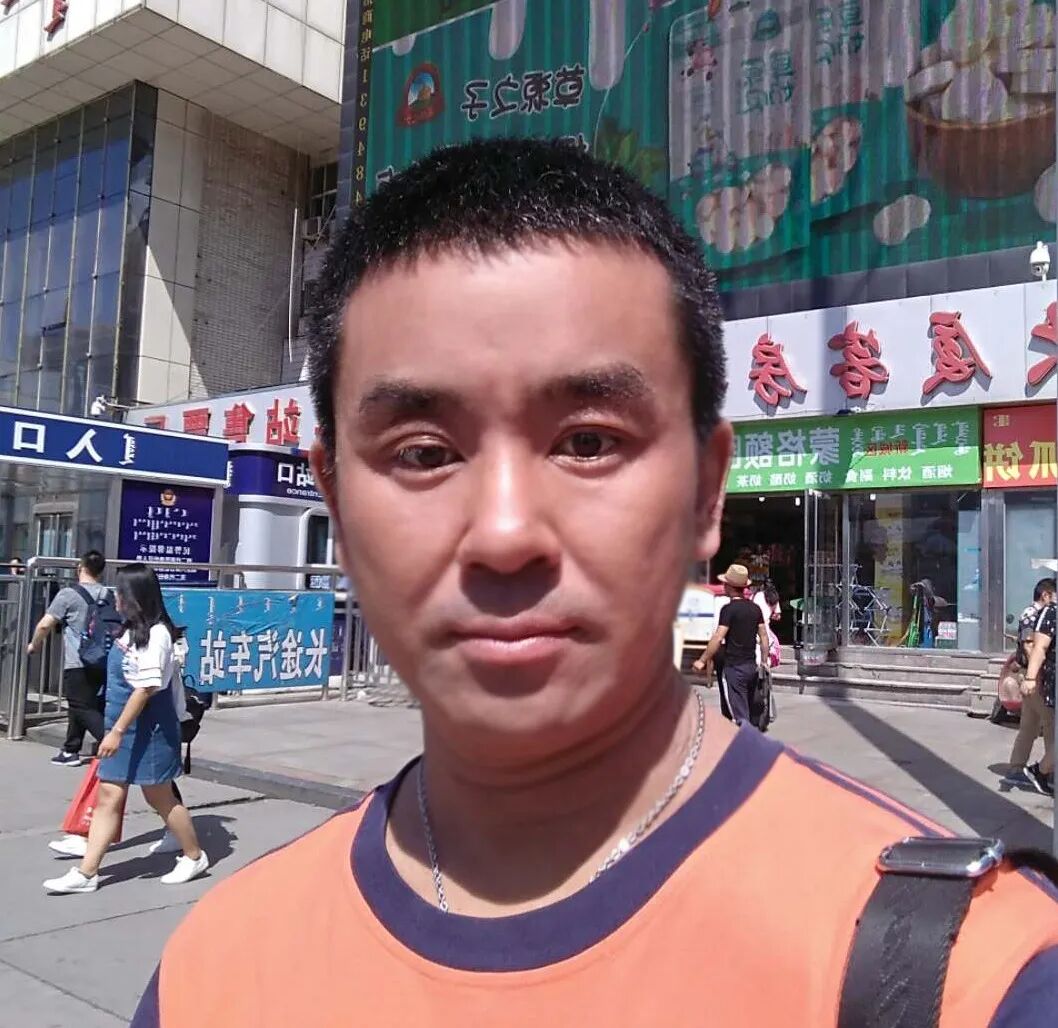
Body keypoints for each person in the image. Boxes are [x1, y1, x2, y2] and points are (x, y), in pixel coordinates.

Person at [132, 139, 1058, 1025]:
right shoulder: (216, 968)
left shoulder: (969, 973)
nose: (504, 534)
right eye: (423, 452)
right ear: (335, 496)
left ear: (706, 492)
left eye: (587, 442)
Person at [43, 563, 208, 894]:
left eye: (120, 593)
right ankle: (87, 872)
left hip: (150, 729)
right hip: (123, 724)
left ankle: (194, 856)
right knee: (108, 796)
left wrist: (116, 731)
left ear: (135, 596)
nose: (115, 599)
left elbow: (146, 688)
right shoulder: (129, 630)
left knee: (159, 796)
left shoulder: (158, 634)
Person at [27, 550, 110, 767]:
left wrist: (34, 644)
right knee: (81, 703)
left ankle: (114, 743)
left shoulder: (68, 594)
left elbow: (45, 624)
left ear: (80, 568)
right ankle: (70, 750)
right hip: (103, 659)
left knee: (80, 705)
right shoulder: (107, 594)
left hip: (78, 661)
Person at [691, 564, 769, 725]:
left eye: (725, 584)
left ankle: (745, 738)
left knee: (738, 715)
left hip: (734, 667)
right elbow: (764, 637)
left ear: (730, 586)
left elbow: (718, 637)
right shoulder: (755, 609)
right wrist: (764, 661)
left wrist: (702, 660)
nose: (723, 586)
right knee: (747, 709)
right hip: (750, 665)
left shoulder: (728, 610)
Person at [1008, 577, 1056, 791]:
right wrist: (1034, 676)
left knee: (1030, 724)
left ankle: (1017, 768)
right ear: (1046, 595)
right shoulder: (1032, 614)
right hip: (1034, 675)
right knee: (1050, 721)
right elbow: (1030, 646)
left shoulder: (1037, 613)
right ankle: (1047, 771)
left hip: (1031, 674)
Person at [1022, 581, 1057, 798]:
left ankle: (1041, 770)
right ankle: (1040, 770)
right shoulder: (1051, 611)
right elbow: (1039, 647)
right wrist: (1030, 677)